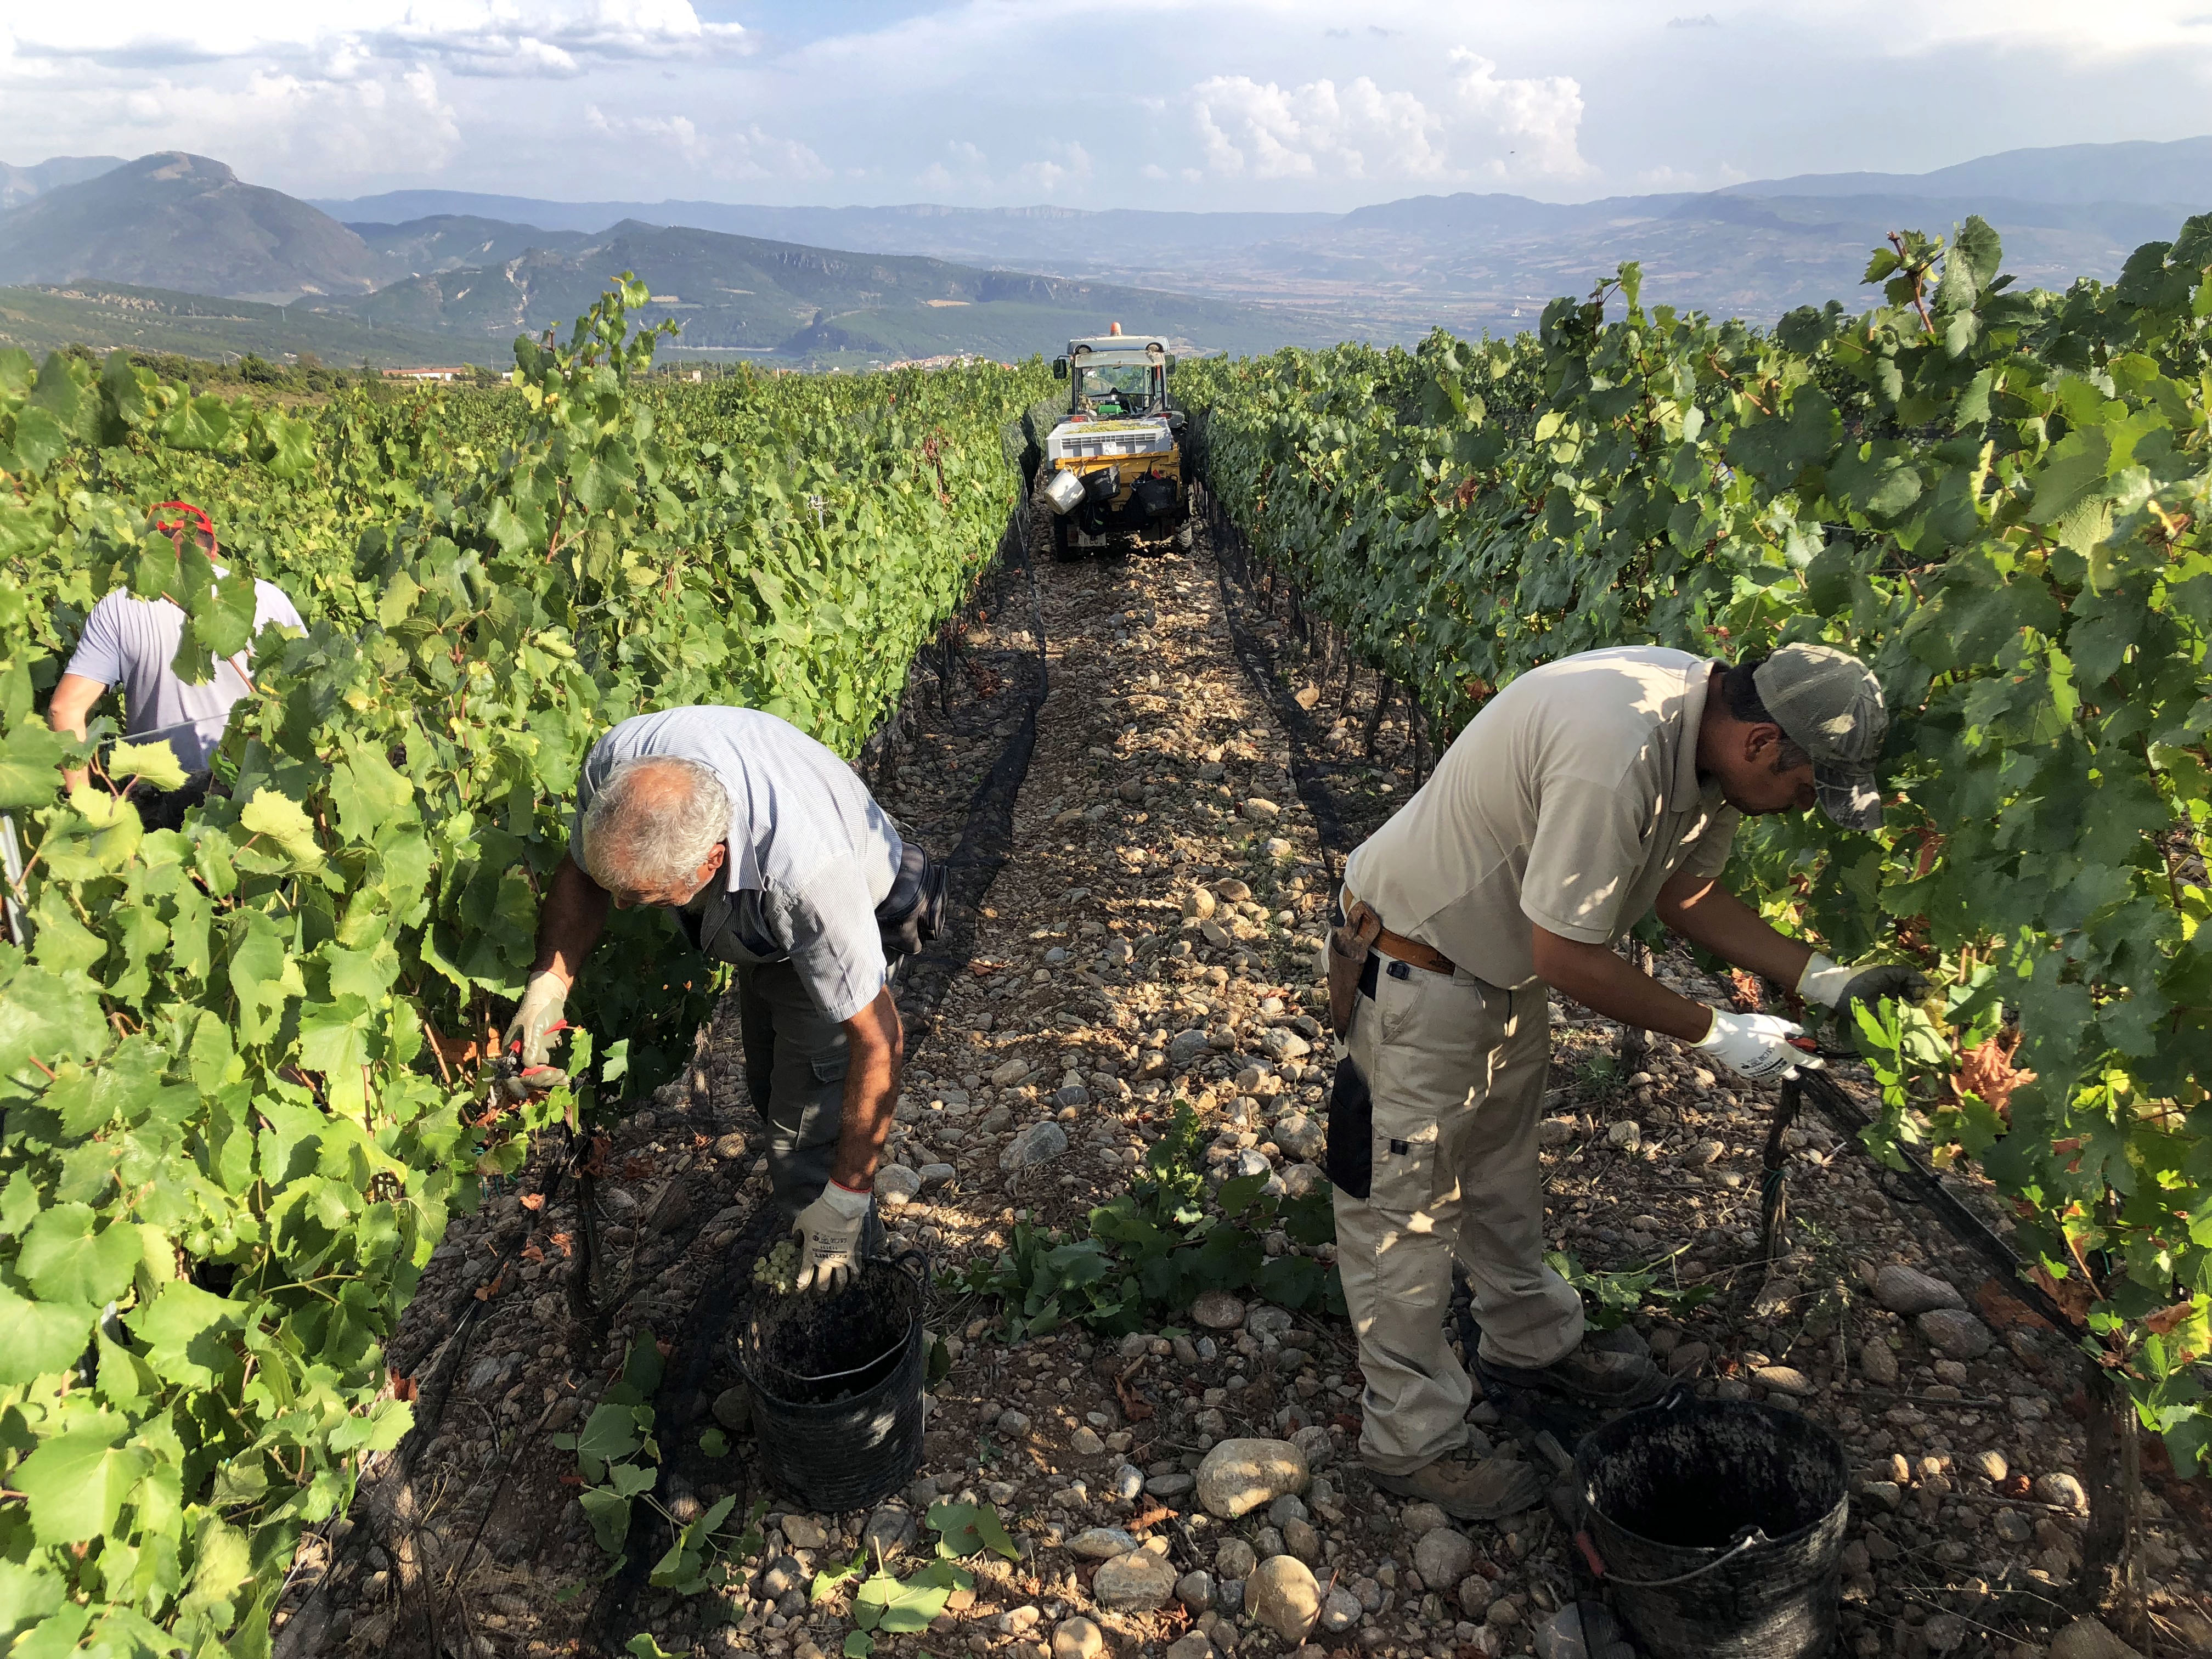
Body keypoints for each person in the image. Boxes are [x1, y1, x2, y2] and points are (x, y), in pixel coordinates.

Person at [1323, 642, 1920, 1519]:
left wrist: (1822, 975)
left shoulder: (1705, 745)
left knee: (1498, 1169)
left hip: (1490, 973)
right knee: (1402, 1207)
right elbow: (1566, 954)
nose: (1802, 808)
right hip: (1417, 972)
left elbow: (1686, 893)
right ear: (1762, 744)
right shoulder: (1619, 752)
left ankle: (1530, 1341)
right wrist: (1713, 1030)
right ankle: (1411, 1442)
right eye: (1805, 786)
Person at [507, 706, 943, 1295]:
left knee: (805, 1140)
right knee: (770, 1092)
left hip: (831, 911)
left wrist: (844, 1202)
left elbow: (880, 1039)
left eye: (646, 897)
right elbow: (585, 875)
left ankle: (844, 1301)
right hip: (755, 923)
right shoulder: (620, 762)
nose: (626, 910)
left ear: (712, 863)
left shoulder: (808, 881)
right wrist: (547, 987)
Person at [46, 501, 304, 825]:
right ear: (214, 550)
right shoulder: (265, 597)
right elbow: (302, 686)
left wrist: (85, 813)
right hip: (256, 788)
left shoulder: (119, 607)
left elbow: (64, 709)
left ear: (150, 550)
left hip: (158, 796)